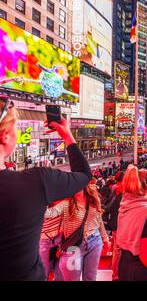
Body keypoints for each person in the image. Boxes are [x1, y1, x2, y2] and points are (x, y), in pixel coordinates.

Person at [0, 96, 92, 281]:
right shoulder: (36, 182)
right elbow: (84, 175)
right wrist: (66, 134)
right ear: (5, 135)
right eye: (16, 128)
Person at [44, 183, 109, 281]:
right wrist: (37, 201)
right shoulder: (67, 203)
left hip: (95, 240)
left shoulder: (93, 199)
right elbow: (51, 213)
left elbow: (99, 220)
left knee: (91, 277)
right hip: (74, 245)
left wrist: (105, 238)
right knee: (72, 278)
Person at [39, 200, 63, 281]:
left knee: (60, 274)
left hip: (60, 239)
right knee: (43, 274)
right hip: (43, 240)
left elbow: (51, 213)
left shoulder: (65, 201)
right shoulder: (39, 201)